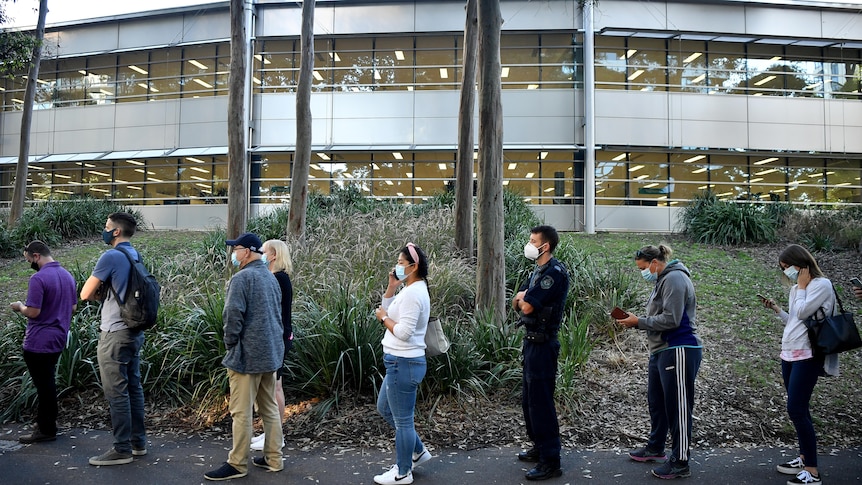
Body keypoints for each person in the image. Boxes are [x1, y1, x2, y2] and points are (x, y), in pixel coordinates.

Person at [616, 243, 702, 480]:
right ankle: (656, 447)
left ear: (655, 263)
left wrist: (639, 322)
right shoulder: (662, 280)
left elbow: (672, 319)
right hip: (662, 350)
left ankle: (680, 461)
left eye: (643, 267)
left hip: (679, 348)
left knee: (678, 408)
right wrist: (638, 321)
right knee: (657, 402)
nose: (643, 272)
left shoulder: (674, 279)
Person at [205, 233, 285, 481]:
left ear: (248, 252)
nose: (234, 254)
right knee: (269, 408)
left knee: (241, 411)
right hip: (270, 353)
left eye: (236, 249)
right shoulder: (271, 278)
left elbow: (232, 315)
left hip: (246, 356)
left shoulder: (241, 279)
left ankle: (237, 463)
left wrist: (230, 344)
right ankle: (274, 458)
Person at [759, 244, 835, 485]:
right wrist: (778, 310)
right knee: (799, 409)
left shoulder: (822, 285)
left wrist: (801, 288)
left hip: (808, 355)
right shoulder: (796, 289)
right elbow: (794, 319)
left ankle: (812, 471)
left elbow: (803, 312)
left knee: (796, 409)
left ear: (802, 264)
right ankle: (804, 458)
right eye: (783, 268)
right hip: (789, 352)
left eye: (788, 267)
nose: (787, 272)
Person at [80, 212, 148, 466]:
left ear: (116, 231)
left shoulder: (110, 256)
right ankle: (138, 443)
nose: (104, 230)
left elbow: (86, 293)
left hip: (114, 332)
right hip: (134, 330)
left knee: (116, 391)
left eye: (107, 226)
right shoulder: (134, 255)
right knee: (133, 387)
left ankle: (121, 449)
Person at [512, 225, 570, 481]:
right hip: (531, 342)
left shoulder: (553, 274)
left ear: (544, 246)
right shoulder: (537, 272)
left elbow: (525, 307)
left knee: (541, 403)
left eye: (533, 241)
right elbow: (517, 302)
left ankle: (551, 460)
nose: (529, 244)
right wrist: (522, 298)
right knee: (529, 401)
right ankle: (539, 446)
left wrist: (523, 299)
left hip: (544, 344)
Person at [372, 243, 432, 485]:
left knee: (403, 421)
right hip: (399, 362)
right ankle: (417, 451)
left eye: (401, 262)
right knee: (385, 408)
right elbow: (389, 308)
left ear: (413, 266)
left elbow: (404, 332)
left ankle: (403, 472)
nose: (397, 266)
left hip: (403, 362)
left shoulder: (414, 294)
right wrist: (391, 287)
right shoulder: (408, 289)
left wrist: (383, 318)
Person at [11, 241, 77, 444]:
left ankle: (46, 428)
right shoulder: (67, 275)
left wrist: (19, 306)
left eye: (29, 259)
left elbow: (33, 312)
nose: (30, 262)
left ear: (36, 255)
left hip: (38, 340)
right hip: (59, 337)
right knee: (48, 382)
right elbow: (73, 307)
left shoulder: (38, 278)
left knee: (44, 386)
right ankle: (46, 423)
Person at [249, 238, 294, 452]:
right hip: (279, 335)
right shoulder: (276, 277)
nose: (261, 253)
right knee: (270, 386)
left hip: (278, 337)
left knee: (275, 386)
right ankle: (270, 432)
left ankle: (277, 435)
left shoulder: (278, 278)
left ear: (274, 254)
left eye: (264, 251)